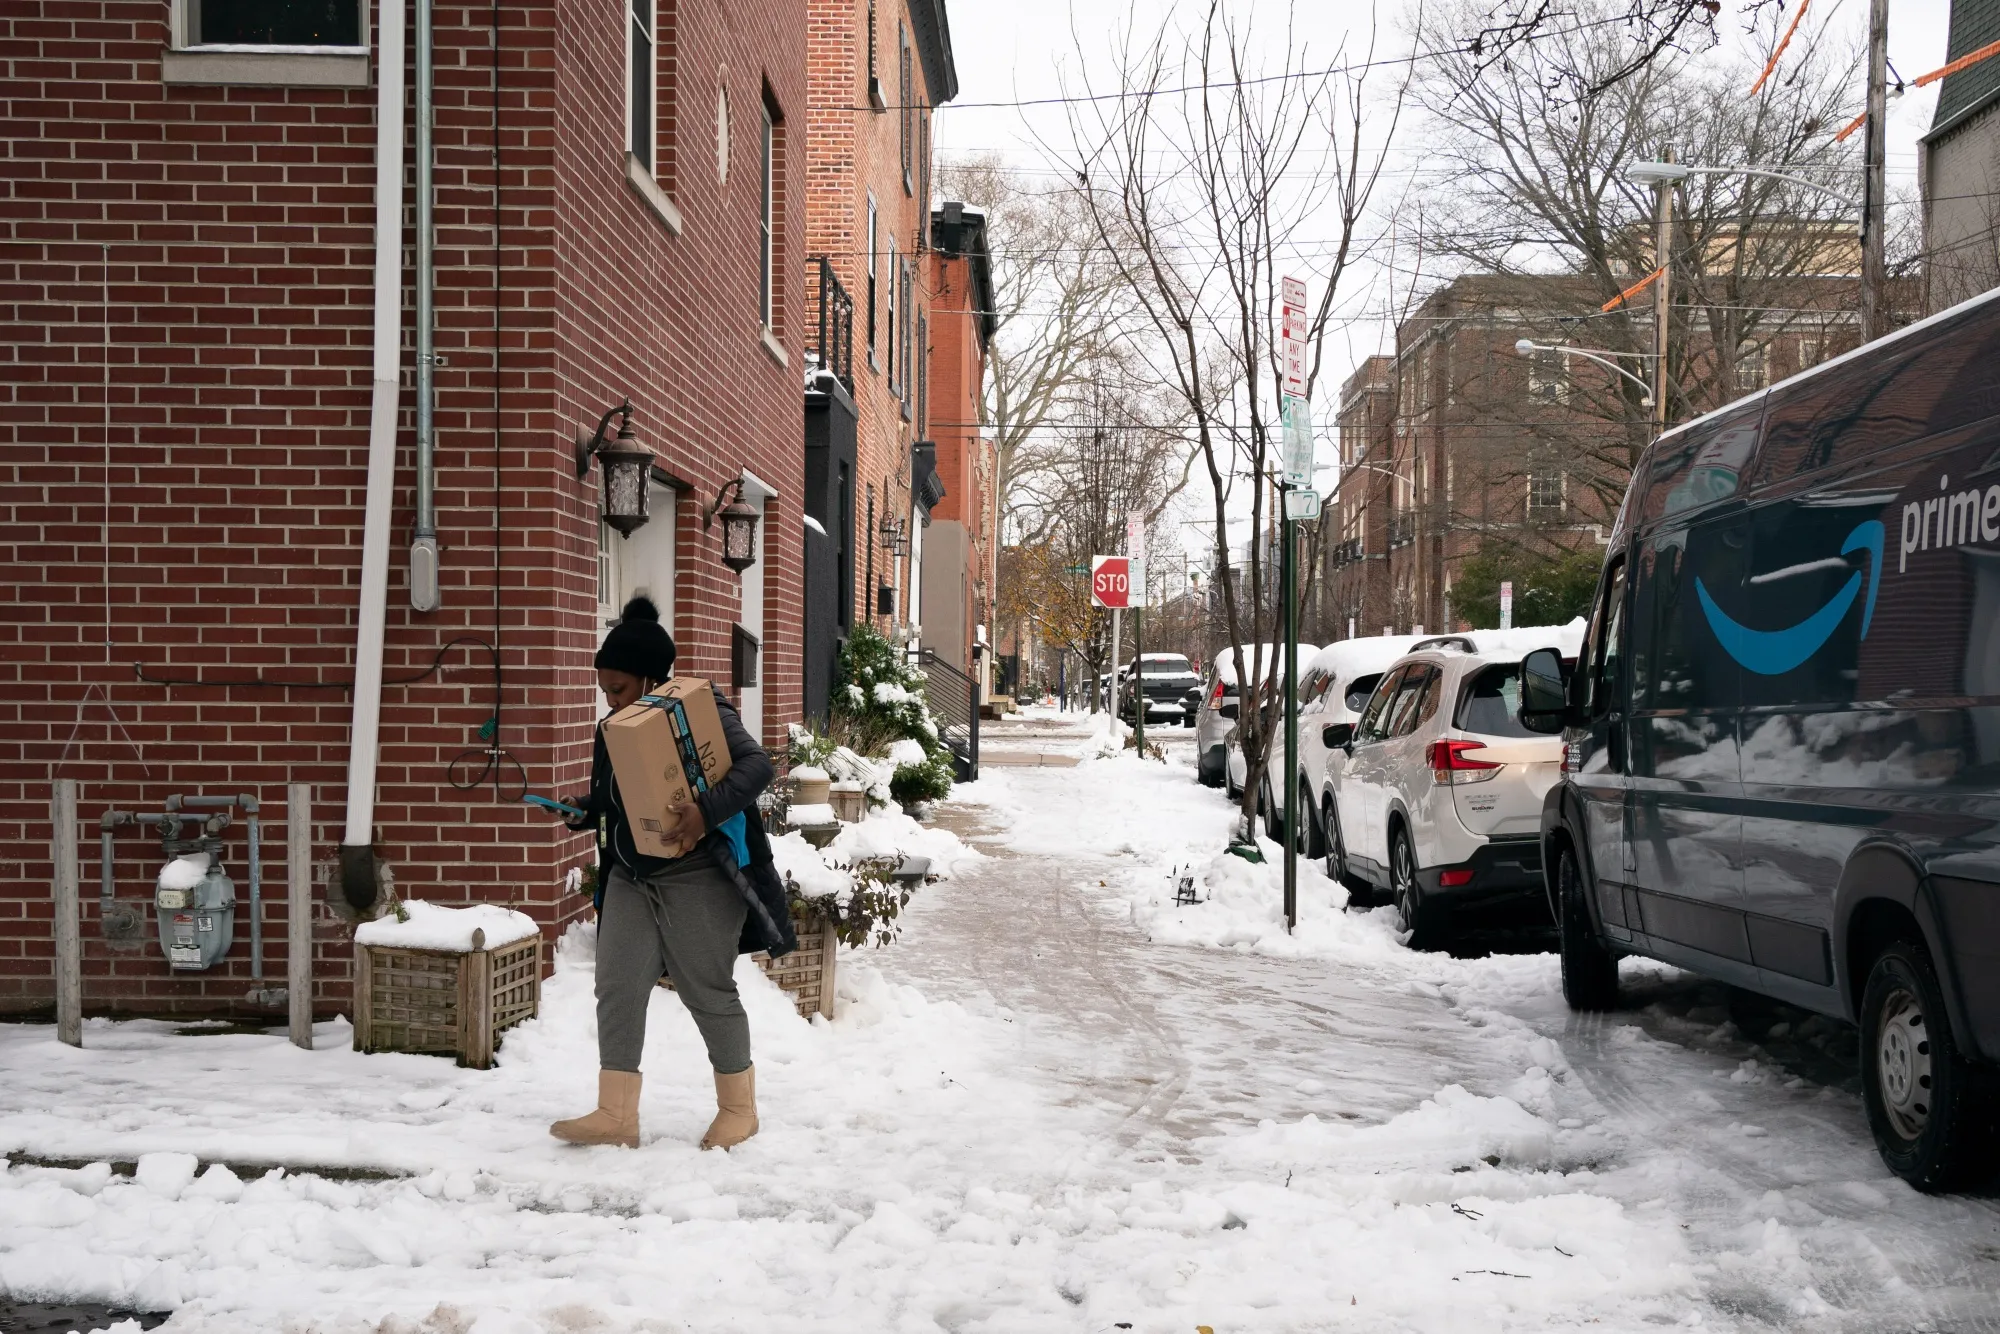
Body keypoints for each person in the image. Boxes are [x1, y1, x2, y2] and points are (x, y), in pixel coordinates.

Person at [547, 596, 786, 1150]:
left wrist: (704, 812)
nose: (611, 701)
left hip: (698, 873)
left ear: (651, 676)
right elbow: (620, 796)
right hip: (633, 875)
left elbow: (757, 765)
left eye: (620, 689)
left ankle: (739, 1109)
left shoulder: (700, 713)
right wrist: (585, 808)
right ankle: (616, 1115)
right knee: (618, 987)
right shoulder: (615, 727)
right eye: (605, 691)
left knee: (707, 990)